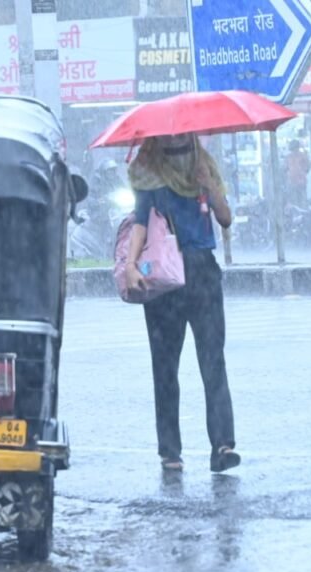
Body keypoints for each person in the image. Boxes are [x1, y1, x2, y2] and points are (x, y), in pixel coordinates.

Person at [123, 133, 240, 474]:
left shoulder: (204, 169)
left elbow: (225, 217)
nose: (180, 150)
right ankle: (169, 450)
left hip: (202, 270)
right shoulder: (149, 175)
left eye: (185, 142)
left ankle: (223, 444)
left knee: (212, 361)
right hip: (164, 275)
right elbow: (140, 225)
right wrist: (130, 264)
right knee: (165, 365)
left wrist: (209, 186)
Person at [285, 139, 310, 207]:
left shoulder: (301, 156)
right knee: (296, 200)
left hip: (298, 181)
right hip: (294, 181)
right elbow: (307, 168)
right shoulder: (289, 157)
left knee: (300, 200)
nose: (295, 150)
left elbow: (307, 168)